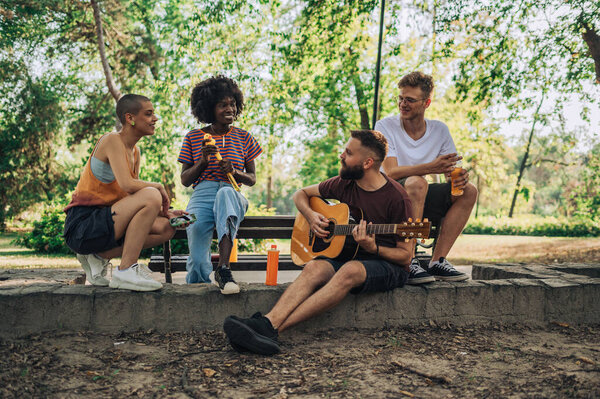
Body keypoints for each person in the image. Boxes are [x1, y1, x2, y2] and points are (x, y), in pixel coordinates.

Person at [223, 129, 413, 355]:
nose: (341, 156)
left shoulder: (397, 198)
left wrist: (373, 247)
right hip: (351, 254)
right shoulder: (344, 184)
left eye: (348, 152)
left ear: (367, 162)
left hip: (387, 265)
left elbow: (405, 256)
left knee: (350, 270)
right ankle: (267, 325)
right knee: (315, 267)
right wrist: (312, 217)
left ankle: (271, 329)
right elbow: (300, 194)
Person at [63, 94, 189, 291]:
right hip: (83, 226)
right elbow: (128, 185)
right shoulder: (112, 140)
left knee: (167, 227)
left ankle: (99, 256)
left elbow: (130, 199)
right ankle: (126, 270)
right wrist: (158, 186)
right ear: (130, 118)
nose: (155, 119)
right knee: (152, 193)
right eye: (149, 114)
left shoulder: (135, 152)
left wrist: (165, 213)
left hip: (107, 223)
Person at [375, 71, 478, 285]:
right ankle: (409, 260)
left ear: (426, 103)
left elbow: (452, 170)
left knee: (469, 191)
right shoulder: (385, 126)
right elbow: (391, 172)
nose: (403, 104)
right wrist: (432, 167)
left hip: (419, 199)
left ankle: (437, 261)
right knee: (417, 182)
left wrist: (459, 178)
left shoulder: (439, 130)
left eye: (410, 100)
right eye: (401, 98)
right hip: (389, 200)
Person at [178, 75, 262, 294]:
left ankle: (223, 268)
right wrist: (202, 163)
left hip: (231, 194)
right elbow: (185, 179)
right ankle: (197, 288)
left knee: (225, 193)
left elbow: (252, 179)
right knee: (196, 255)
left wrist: (234, 172)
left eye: (233, 104)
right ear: (209, 108)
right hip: (202, 194)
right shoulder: (194, 137)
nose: (230, 109)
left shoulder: (244, 137)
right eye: (222, 105)